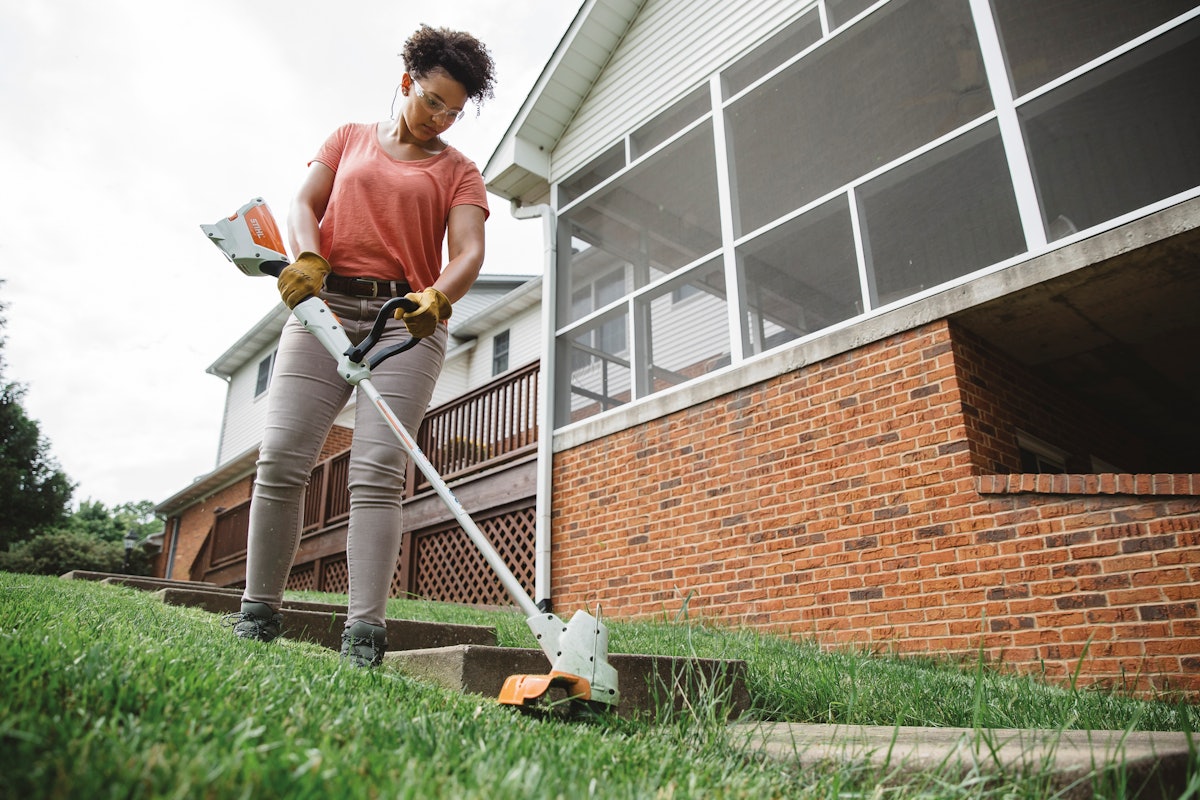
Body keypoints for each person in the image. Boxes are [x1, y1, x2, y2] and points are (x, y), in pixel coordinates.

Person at [225, 25, 496, 667]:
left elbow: (471, 251)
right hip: (325, 304)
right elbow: (303, 203)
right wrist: (310, 257)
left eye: (454, 110)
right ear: (406, 82)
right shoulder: (347, 138)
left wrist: (439, 296)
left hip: (406, 319)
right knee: (283, 458)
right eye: (433, 100)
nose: (441, 118)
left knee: (377, 473)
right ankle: (258, 615)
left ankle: (364, 634)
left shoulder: (460, 171)